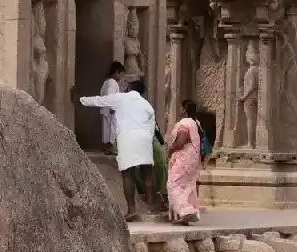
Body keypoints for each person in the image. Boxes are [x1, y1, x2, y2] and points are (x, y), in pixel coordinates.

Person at [80, 78, 156, 221]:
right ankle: (150, 208)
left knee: (128, 174)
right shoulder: (147, 105)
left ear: (129, 88)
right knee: (148, 173)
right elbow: (152, 126)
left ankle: (132, 209)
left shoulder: (121, 98)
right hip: (144, 137)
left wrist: (81, 99)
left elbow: (100, 100)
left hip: (127, 137)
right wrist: (147, 140)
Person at [166, 100, 204, 225]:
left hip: (183, 158)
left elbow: (181, 140)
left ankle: (186, 211)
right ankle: (184, 216)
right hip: (193, 159)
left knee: (174, 184)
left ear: (184, 110)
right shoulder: (196, 122)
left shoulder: (185, 122)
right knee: (187, 185)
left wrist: (171, 149)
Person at [99, 62, 124, 155]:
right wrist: (112, 107)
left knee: (107, 129)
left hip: (106, 109)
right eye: (120, 74)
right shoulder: (112, 82)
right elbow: (111, 95)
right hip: (111, 110)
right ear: (116, 72)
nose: (121, 78)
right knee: (112, 129)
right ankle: (111, 147)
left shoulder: (106, 82)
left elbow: (102, 94)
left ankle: (108, 147)